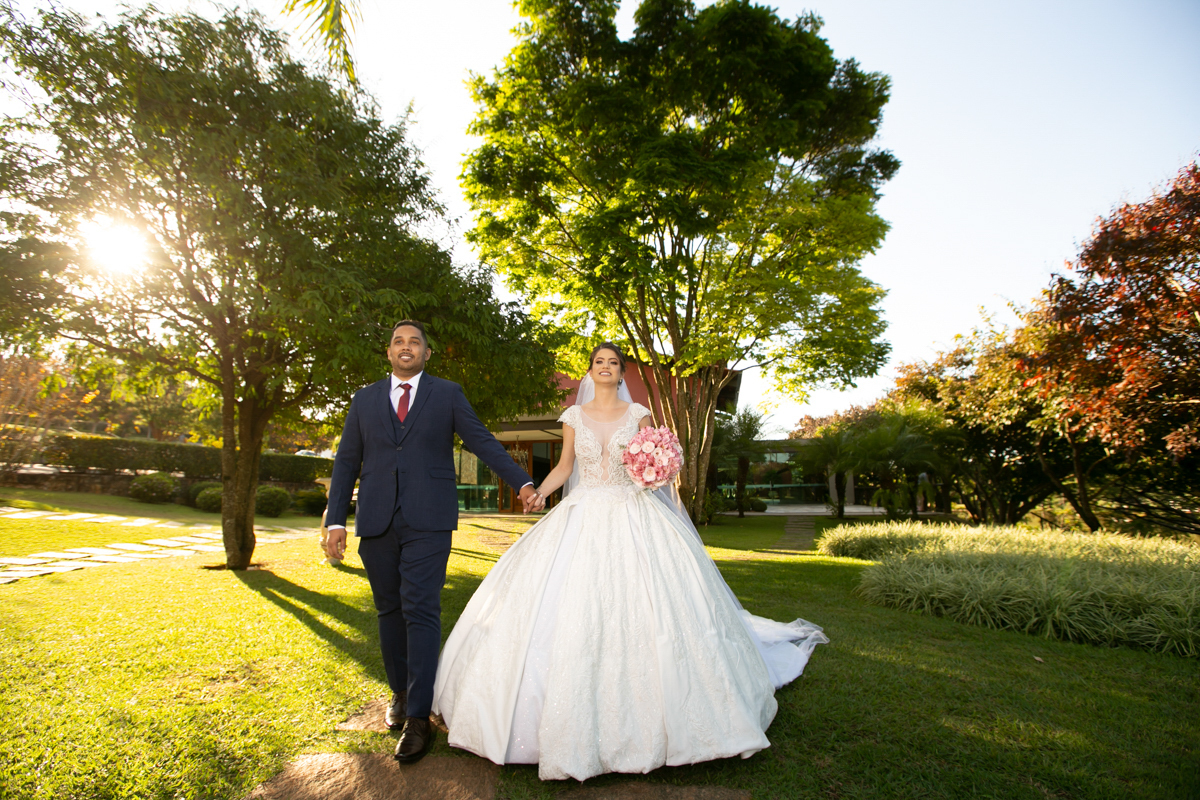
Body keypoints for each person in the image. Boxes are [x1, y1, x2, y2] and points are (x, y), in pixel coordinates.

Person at [433, 343, 828, 781]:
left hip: (634, 511)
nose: (605, 368)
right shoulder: (572, 417)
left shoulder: (639, 413)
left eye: (613, 363)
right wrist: (540, 492)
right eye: (598, 362)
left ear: (621, 372)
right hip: (583, 511)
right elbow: (565, 466)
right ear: (590, 371)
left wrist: (656, 470)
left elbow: (654, 463)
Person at [324, 320, 545, 765]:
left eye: (415, 342)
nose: (406, 347)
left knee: (421, 608)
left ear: (427, 353)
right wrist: (335, 521)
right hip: (376, 519)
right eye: (398, 342)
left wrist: (522, 482)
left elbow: (482, 442)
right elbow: (347, 460)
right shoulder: (364, 399)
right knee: (389, 610)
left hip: (429, 518)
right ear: (389, 352)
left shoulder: (447, 394)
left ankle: (418, 718)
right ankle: (401, 693)